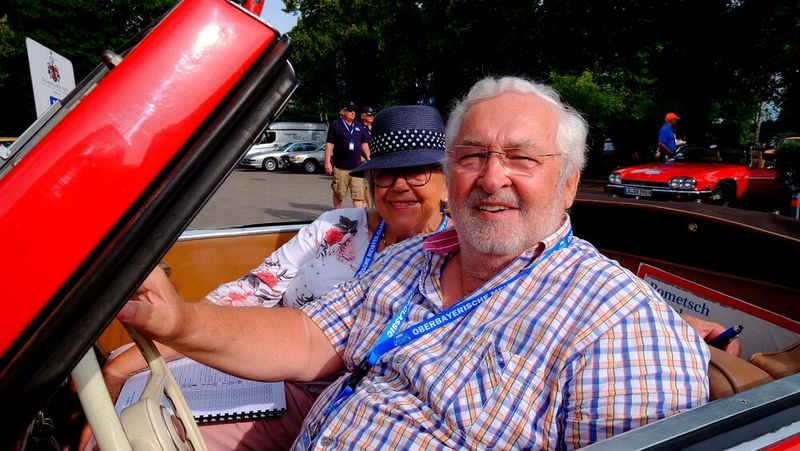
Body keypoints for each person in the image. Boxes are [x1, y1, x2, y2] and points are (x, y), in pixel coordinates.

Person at [119, 77, 711, 449]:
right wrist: (180, 323)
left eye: (522, 158)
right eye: (473, 155)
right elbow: (305, 336)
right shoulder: (411, 260)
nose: (492, 177)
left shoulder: (620, 325)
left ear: (571, 183)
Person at [97, 105, 449, 450]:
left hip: (325, 402)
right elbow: (253, 289)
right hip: (256, 358)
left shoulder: (455, 265)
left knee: (136, 434)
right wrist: (142, 353)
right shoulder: (337, 227)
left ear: (447, 182)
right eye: (385, 173)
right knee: (120, 377)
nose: (399, 186)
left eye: (417, 171)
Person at [324, 101, 370, 208]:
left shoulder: (359, 126)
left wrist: (368, 157)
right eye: (350, 110)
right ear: (343, 111)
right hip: (341, 167)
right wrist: (327, 163)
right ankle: (337, 213)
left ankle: (358, 217)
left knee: (358, 195)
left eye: (354, 110)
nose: (353, 113)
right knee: (339, 193)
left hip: (357, 168)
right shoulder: (336, 125)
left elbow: (364, 143)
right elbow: (329, 145)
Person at [358, 106, 375, 207]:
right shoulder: (359, 128)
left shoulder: (372, 128)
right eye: (369, 115)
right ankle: (369, 206)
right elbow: (357, 143)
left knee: (372, 183)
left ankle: (367, 204)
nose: (371, 116)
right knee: (367, 184)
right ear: (363, 116)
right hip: (365, 160)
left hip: (374, 159)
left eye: (372, 115)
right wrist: (361, 157)